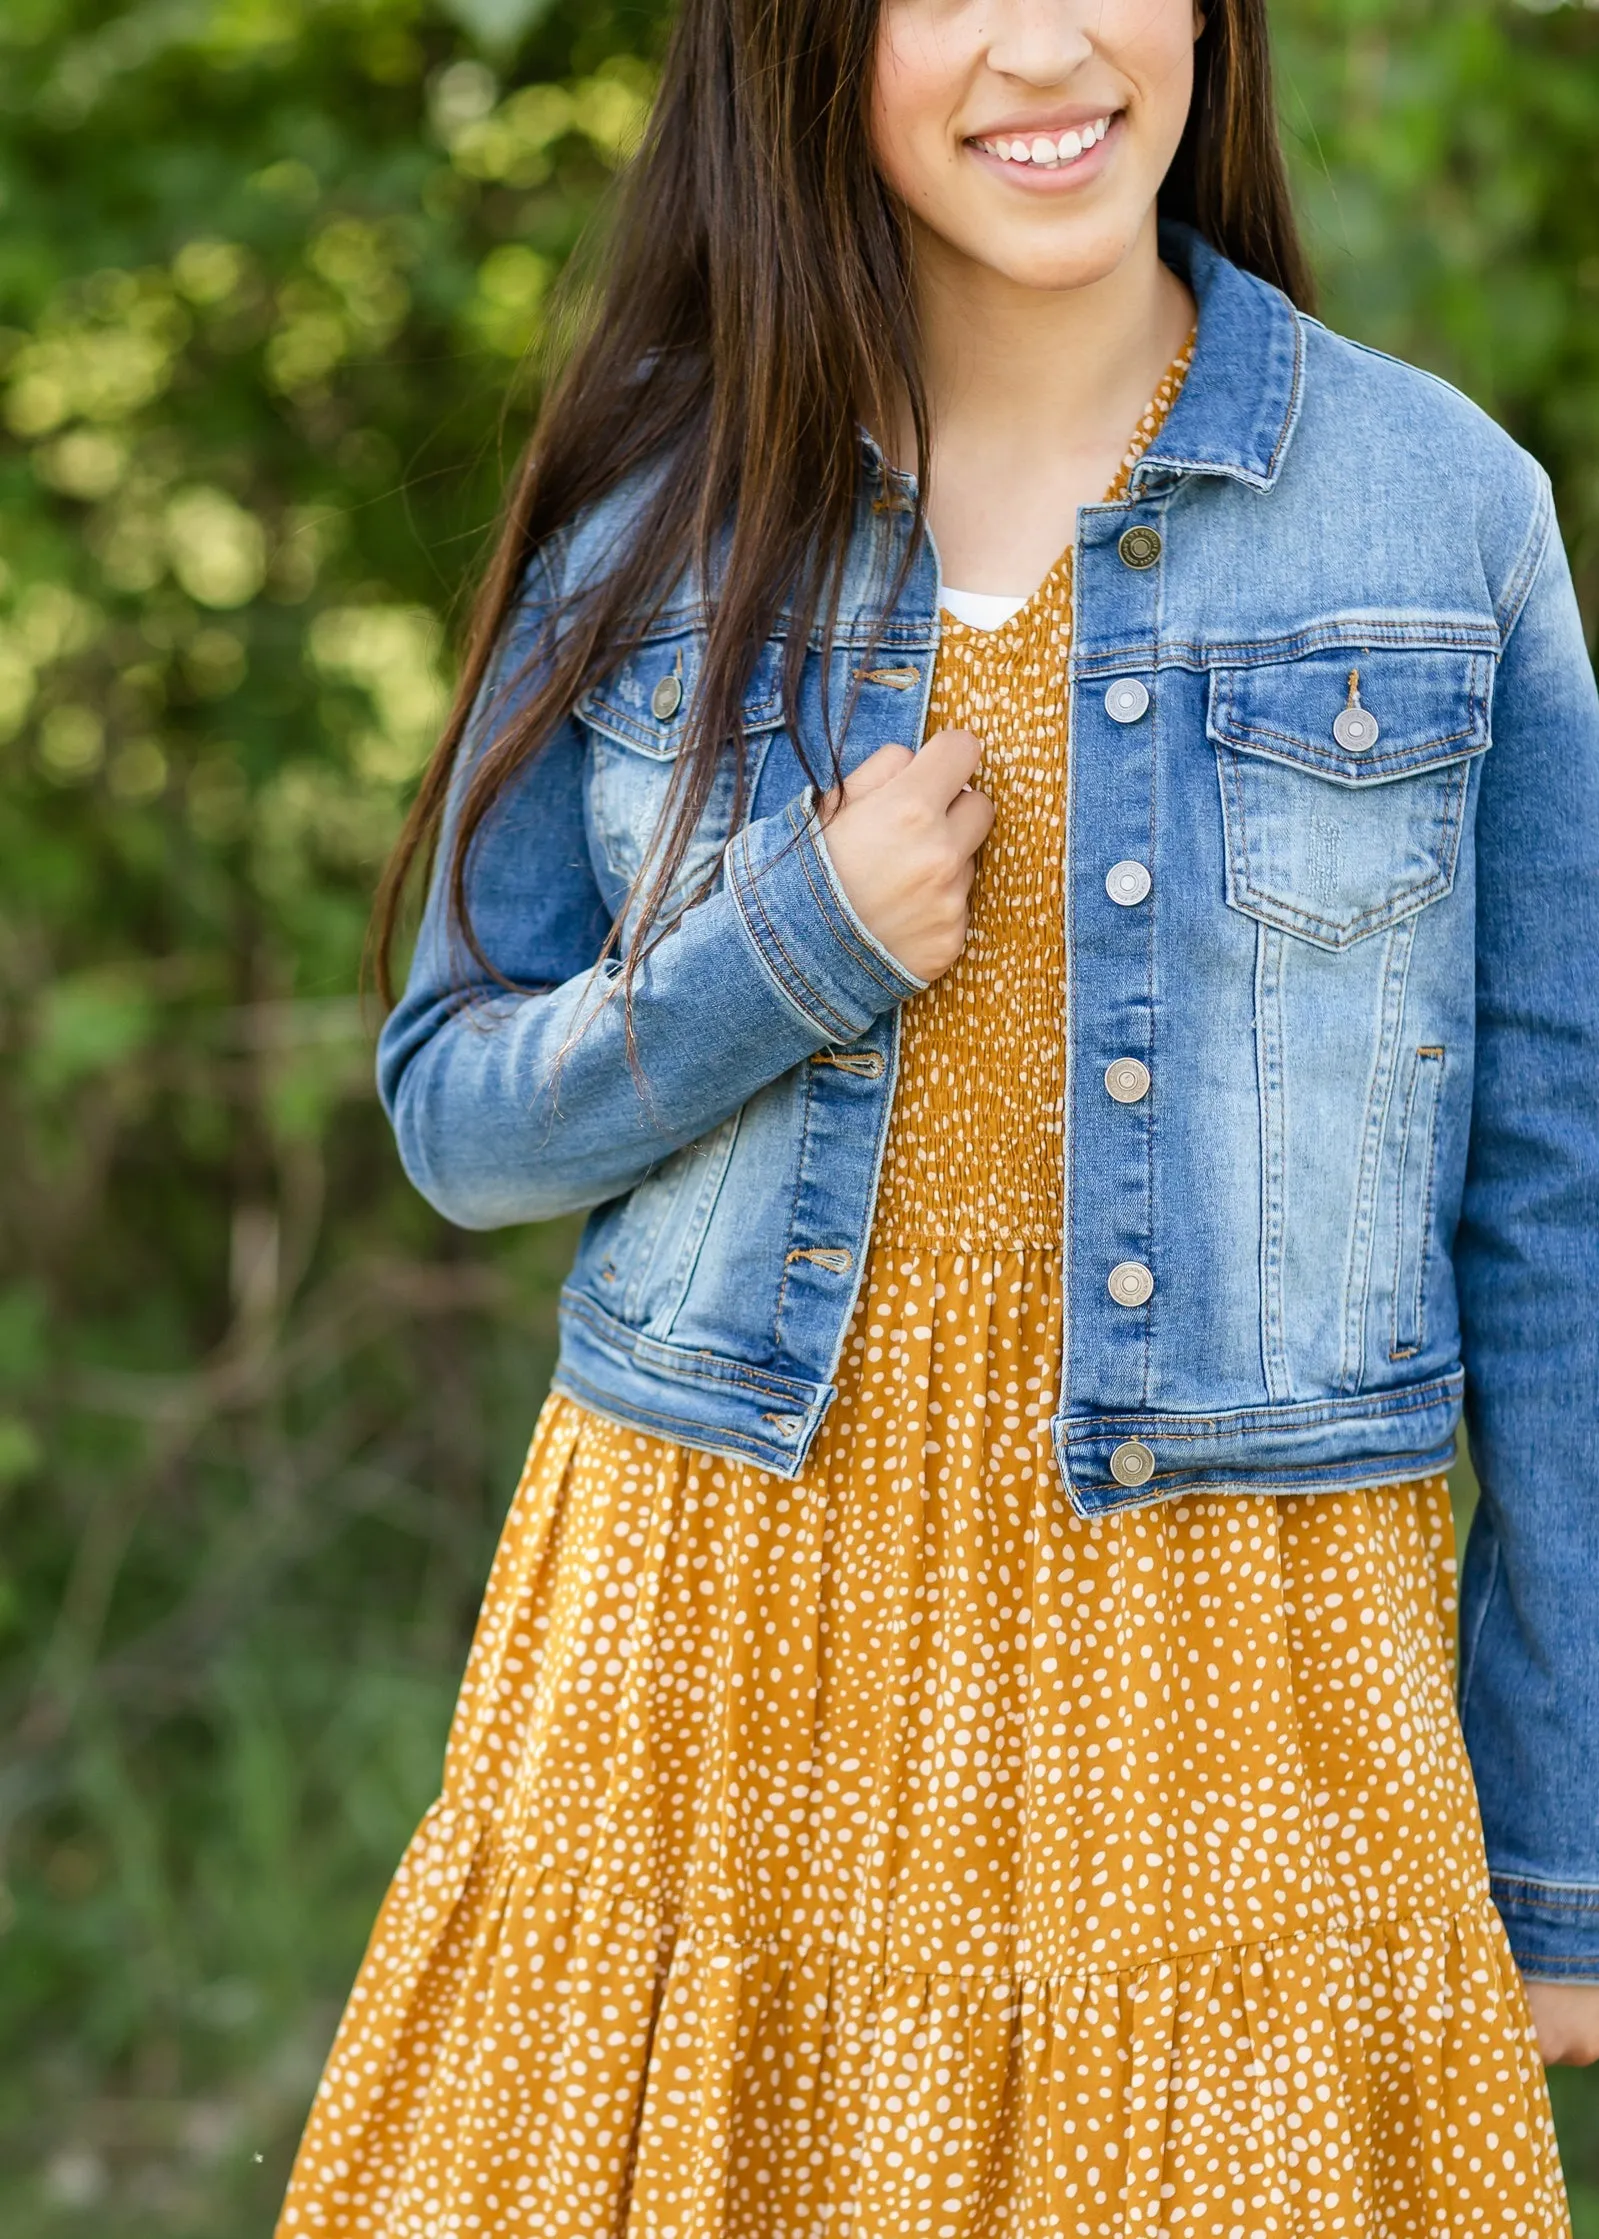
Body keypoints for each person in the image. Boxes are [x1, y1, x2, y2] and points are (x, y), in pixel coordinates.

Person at [277, 1, 1599, 2230]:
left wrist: (1555, 1842)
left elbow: (1553, 1212)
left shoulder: (1437, 510)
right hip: (709, 1666)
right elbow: (456, 1116)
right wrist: (791, 945)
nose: (1044, 45)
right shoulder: (656, 511)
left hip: (1236, 1681)